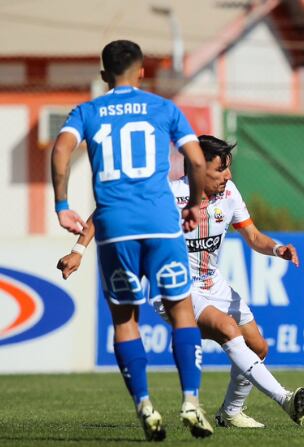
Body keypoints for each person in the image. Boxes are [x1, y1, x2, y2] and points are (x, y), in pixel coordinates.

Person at [57, 135, 304, 429]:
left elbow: (253, 237)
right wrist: (78, 251)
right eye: (220, 170)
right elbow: (107, 210)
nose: (228, 176)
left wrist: (278, 248)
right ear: (197, 169)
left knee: (258, 348)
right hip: (174, 287)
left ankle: (230, 412)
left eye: (228, 169)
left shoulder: (229, 194)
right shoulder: (165, 194)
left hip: (212, 283)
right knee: (227, 328)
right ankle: (285, 399)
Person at [50, 40, 213, 440]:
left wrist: (62, 204)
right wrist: (194, 204)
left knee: (125, 320)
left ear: (104, 75)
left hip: (115, 228)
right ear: (142, 71)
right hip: (161, 225)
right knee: (182, 313)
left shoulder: (87, 111)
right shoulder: (164, 108)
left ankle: (145, 405)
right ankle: (191, 402)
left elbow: (61, 149)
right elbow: (195, 160)